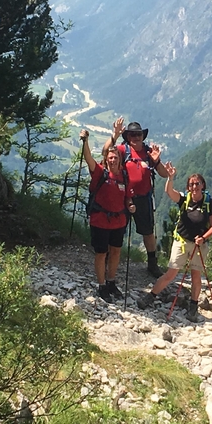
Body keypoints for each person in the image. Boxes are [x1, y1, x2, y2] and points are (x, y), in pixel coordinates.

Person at [137, 164, 212, 322]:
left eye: (197, 183)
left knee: (196, 276)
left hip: (199, 244)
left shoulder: (209, 202)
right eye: (192, 184)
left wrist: (203, 238)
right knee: (171, 273)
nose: (194, 186)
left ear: (203, 185)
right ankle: (151, 296)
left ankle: (193, 306)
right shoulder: (184, 199)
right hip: (181, 241)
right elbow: (169, 192)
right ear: (188, 187)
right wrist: (170, 178)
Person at [103, 117, 170, 278]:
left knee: (148, 232)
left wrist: (157, 160)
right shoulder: (122, 150)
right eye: (132, 134)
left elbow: (164, 173)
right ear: (127, 137)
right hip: (124, 197)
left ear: (142, 135)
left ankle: (152, 264)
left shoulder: (148, 153)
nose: (136, 137)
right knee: (117, 229)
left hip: (143, 198)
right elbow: (105, 152)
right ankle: (108, 260)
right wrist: (115, 134)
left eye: (138, 134)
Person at [80, 129, 135, 303]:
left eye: (116, 157)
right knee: (101, 253)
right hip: (100, 220)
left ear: (120, 159)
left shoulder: (124, 176)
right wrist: (85, 141)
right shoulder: (100, 173)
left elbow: (128, 197)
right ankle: (102, 285)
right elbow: (88, 159)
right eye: (110, 158)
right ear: (106, 159)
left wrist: (131, 205)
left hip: (119, 221)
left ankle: (111, 282)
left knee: (116, 252)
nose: (113, 160)